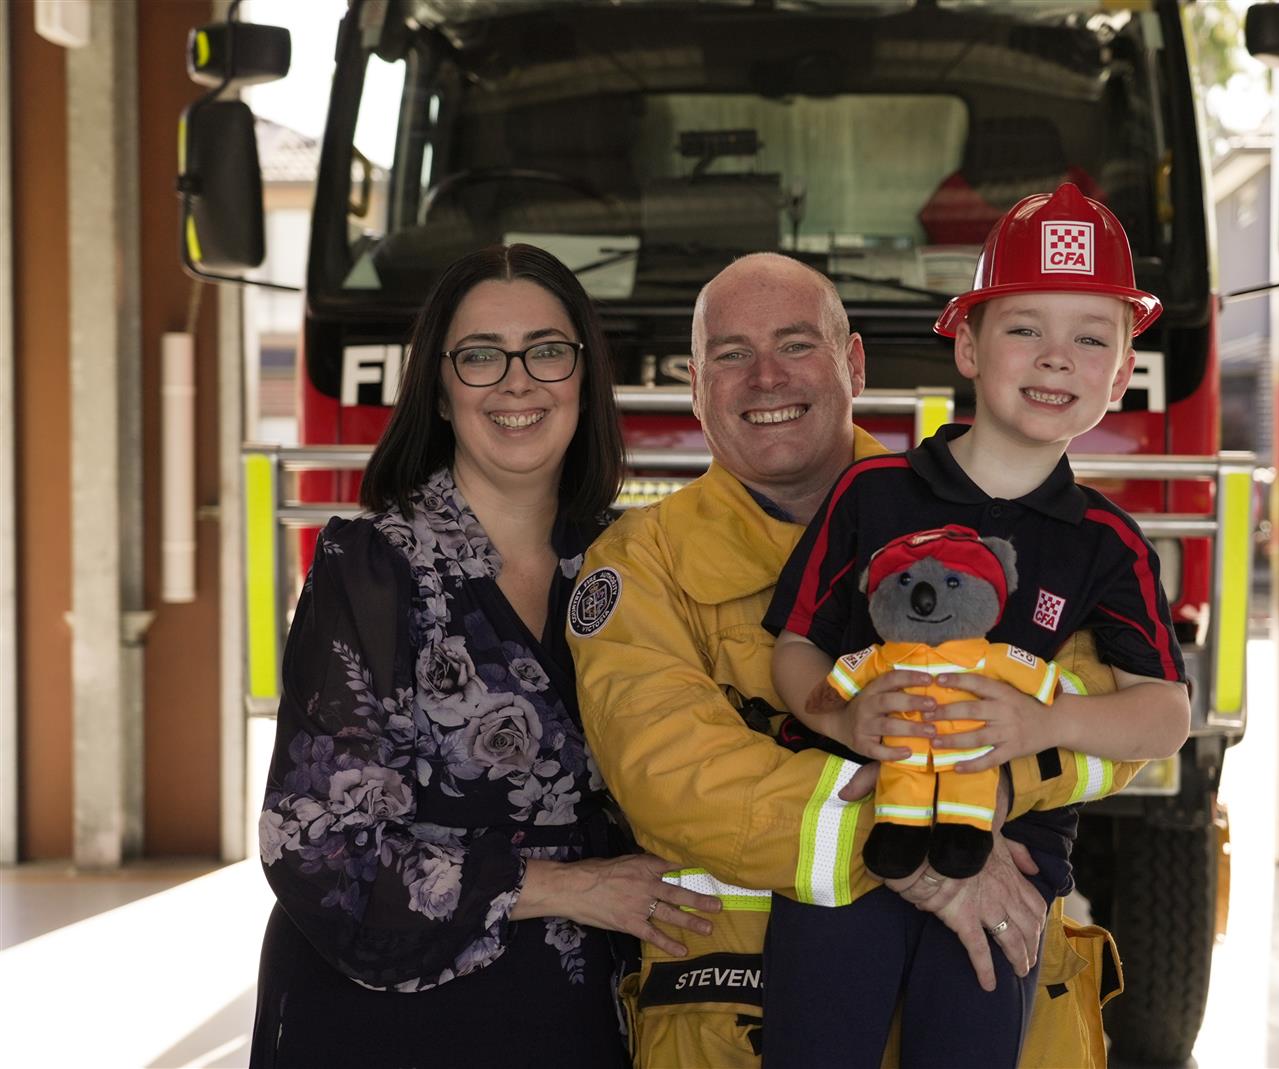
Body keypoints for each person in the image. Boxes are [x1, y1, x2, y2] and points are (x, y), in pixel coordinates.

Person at [567, 250, 1145, 1068]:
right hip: (744, 1020)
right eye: (732, 355)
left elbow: (1106, 698)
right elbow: (668, 767)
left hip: (996, 997)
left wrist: (1002, 786)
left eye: (797, 344)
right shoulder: (640, 563)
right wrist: (920, 850)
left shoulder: (992, 511)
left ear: (855, 364)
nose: (767, 378)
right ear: (696, 386)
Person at [250, 244, 719, 1069]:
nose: (517, 382)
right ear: (437, 388)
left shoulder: (633, 561)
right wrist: (575, 887)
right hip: (388, 1027)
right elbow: (317, 846)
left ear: (582, 376)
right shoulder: (371, 566)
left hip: (581, 1016)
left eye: (546, 350)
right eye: (479, 356)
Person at [760, 182, 1191, 1068]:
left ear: (1120, 375)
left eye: (1091, 339)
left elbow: (1165, 714)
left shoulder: (1106, 541)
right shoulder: (870, 493)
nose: (1057, 359)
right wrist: (839, 717)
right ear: (966, 344)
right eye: (1025, 327)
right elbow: (796, 643)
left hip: (1009, 862)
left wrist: (1046, 723)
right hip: (852, 843)